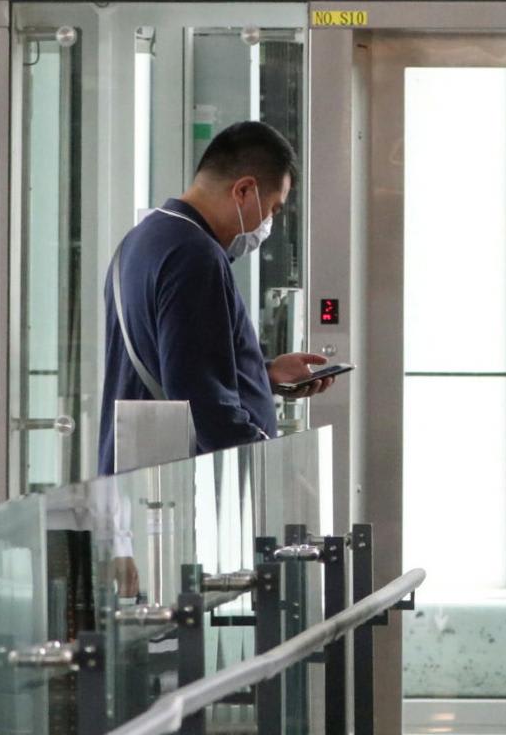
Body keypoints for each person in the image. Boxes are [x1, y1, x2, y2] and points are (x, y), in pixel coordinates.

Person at [98, 121, 333, 472]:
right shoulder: (194, 256)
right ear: (244, 191)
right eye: (273, 208)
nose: (269, 222)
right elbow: (202, 403)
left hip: (143, 475)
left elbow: (178, 363)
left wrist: (263, 374)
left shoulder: (144, 240)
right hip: (178, 488)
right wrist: (271, 466)